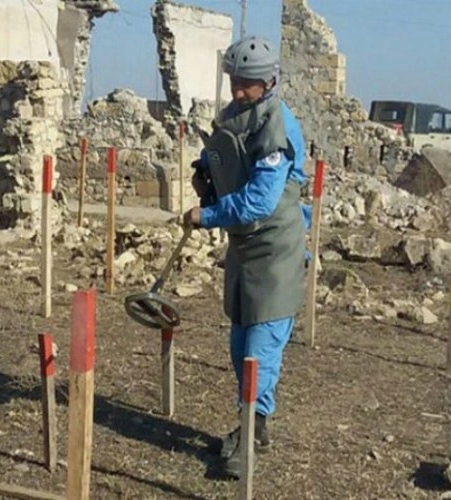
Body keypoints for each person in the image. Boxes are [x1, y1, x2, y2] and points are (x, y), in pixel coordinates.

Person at [184, 35, 311, 479]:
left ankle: (252, 433)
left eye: (247, 83)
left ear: (269, 81)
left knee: (260, 350)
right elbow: (225, 151)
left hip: (274, 251)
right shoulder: (238, 114)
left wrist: (207, 215)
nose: (238, 90)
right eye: (234, 81)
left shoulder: (277, 128)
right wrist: (206, 169)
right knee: (240, 345)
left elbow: (259, 201)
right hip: (243, 249)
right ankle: (253, 425)